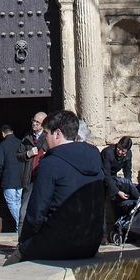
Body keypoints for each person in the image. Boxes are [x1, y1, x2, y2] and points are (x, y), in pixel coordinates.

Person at [14, 110, 105, 263]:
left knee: (8, 271)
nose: (45, 139)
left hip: (58, 244)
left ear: (57, 134)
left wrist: (25, 242)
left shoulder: (50, 163)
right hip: (91, 244)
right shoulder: (95, 156)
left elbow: (36, 213)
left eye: (47, 133)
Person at [16, 112, 46, 225]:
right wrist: (28, 154)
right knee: (23, 212)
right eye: (33, 120)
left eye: (38, 122)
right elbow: (19, 155)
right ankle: (22, 241)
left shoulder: (49, 137)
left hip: (45, 178)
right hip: (30, 179)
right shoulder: (27, 137)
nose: (34, 123)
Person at [0, 124, 21, 231]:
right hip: (21, 179)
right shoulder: (20, 143)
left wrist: (1, 175)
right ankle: (21, 225)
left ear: (3, 134)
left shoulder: (2, 145)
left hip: (8, 179)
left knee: (12, 203)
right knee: (18, 203)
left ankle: (20, 224)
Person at [101, 136, 136, 210]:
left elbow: (127, 171)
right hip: (102, 175)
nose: (120, 152)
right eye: (119, 148)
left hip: (113, 175)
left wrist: (128, 186)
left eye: (123, 151)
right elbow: (106, 175)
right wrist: (117, 191)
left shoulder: (128, 154)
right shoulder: (108, 152)